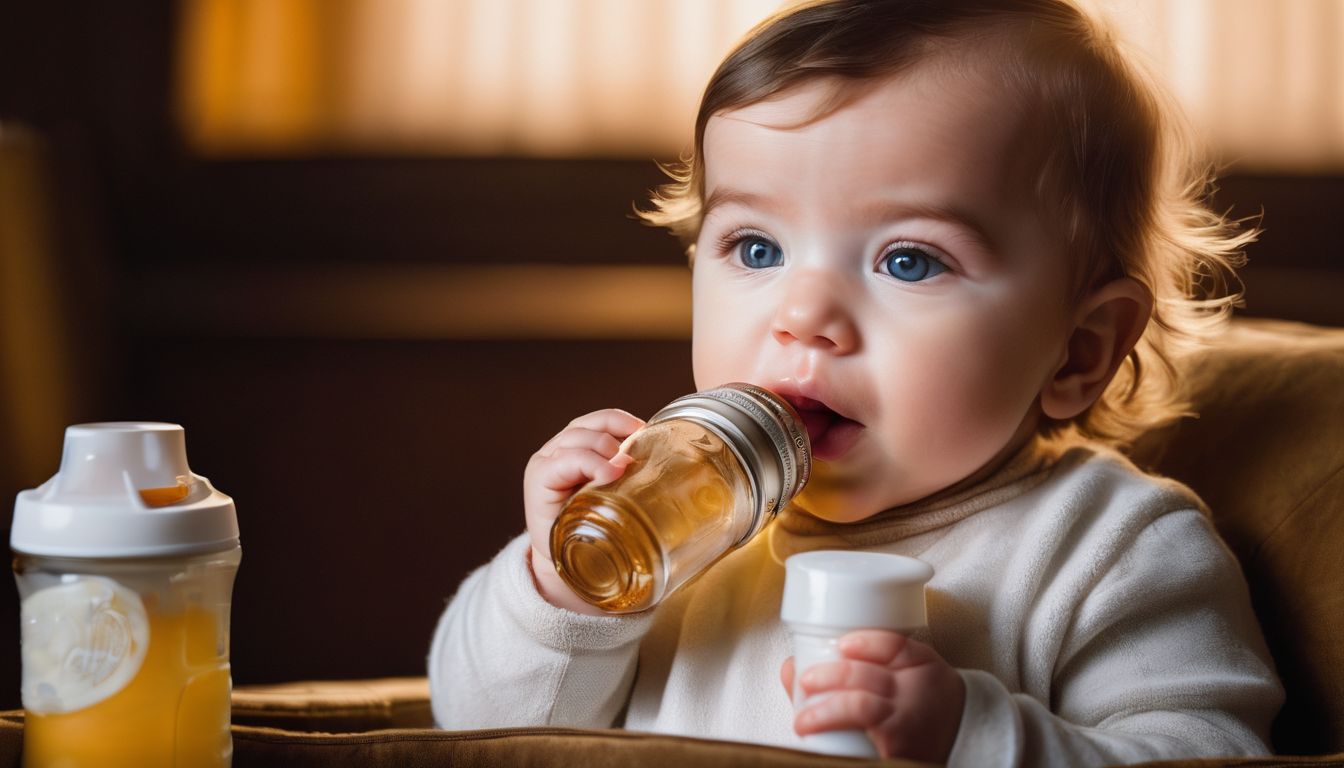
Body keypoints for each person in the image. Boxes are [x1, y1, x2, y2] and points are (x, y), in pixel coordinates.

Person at [428, 1, 1283, 764]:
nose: (803, 315)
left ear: (1078, 353)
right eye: (756, 248)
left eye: (908, 260)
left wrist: (973, 737)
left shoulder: (1109, 546)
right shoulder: (675, 519)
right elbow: (478, 729)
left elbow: (1210, 751)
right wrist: (563, 591)